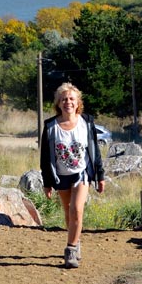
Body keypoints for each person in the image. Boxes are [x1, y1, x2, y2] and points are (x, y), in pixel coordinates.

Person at [40, 82, 105, 269]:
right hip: (61, 175)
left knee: (76, 209)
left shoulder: (86, 122)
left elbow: (95, 151)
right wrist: (47, 182)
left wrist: (100, 176)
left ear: (78, 103)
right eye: (64, 99)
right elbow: (45, 156)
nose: (68, 102)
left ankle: (70, 250)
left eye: (71, 99)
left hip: (81, 173)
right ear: (58, 104)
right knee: (68, 212)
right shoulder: (51, 126)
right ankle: (76, 240)